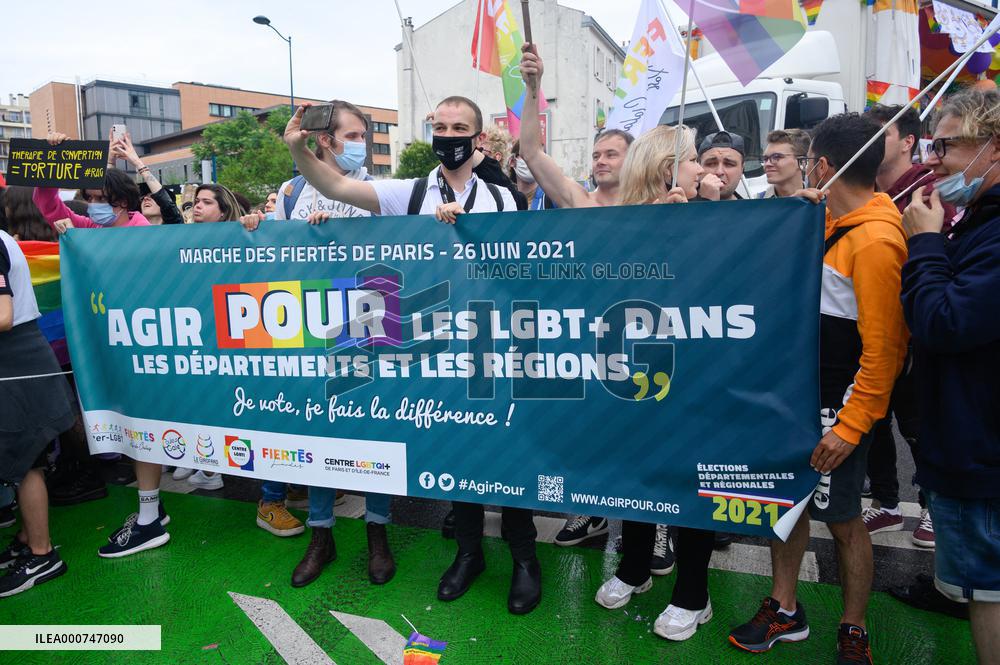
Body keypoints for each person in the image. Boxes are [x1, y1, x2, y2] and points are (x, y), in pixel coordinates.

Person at [729, 113, 909, 665]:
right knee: (786, 506)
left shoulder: (876, 240)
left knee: (844, 518)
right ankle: (784, 608)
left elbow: (886, 351)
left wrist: (852, 427)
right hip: (795, 398)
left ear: (825, 165)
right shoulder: (827, 219)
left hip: (839, 409)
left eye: (810, 163)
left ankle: (853, 627)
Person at [589, 124, 717, 642]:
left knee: (691, 484)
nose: (703, 170)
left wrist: (698, 223)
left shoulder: (711, 219)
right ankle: (635, 568)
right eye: (693, 161)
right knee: (634, 473)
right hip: (634, 371)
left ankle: (693, 593)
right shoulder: (620, 220)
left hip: (696, 378)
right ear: (667, 168)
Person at [900, 88, 1000, 665]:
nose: (933, 158)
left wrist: (928, 244)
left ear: (993, 147)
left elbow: (944, 322)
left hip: (980, 455)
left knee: (988, 595)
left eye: (947, 144)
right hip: (972, 443)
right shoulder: (979, 220)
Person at [860, 104, 955, 546]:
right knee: (874, 420)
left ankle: (936, 506)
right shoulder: (861, 190)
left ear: (907, 142)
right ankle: (887, 503)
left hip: (916, 334)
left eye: (879, 134)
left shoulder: (929, 190)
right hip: (871, 328)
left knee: (918, 424)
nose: (866, 142)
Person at [0, 228, 76, 596]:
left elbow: (3, 315)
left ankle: (42, 554)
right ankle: (29, 537)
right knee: (24, 458)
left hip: (16, 362)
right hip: (19, 360)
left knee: (26, 458)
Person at [519, 44, 631, 209]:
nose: (600, 161)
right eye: (595, 156)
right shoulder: (579, 201)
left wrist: (677, 211)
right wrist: (532, 86)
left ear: (632, 160)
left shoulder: (649, 206)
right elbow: (531, 153)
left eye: (611, 155)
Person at [271, 100, 375, 222]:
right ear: (325, 140)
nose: (361, 143)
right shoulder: (290, 191)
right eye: (351, 136)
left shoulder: (376, 190)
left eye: (362, 136)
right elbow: (281, 238)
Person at [32, 134, 149, 232]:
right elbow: (50, 206)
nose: (93, 204)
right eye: (89, 198)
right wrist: (54, 157)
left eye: (101, 198)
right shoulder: (89, 227)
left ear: (124, 201)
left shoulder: (145, 233)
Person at [106, 132, 184, 226]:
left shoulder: (174, 227)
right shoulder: (130, 230)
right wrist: (110, 161)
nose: (146, 198)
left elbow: (166, 203)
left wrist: (137, 162)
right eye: (143, 197)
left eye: (152, 196)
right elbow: (109, 197)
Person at [760, 129, 810, 198]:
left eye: (776, 157)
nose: (767, 164)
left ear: (803, 162)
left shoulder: (819, 202)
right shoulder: (754, 203)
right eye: (765, 159)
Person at [698, 131, 746, 200]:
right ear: (699, 167)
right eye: (711, 164)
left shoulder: (754, 210)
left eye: (729, 164)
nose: (719, 172)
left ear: (742, 169)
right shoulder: (681, 204)